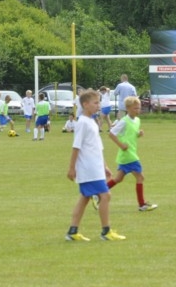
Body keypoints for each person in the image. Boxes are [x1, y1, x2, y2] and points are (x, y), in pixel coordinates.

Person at [65, 89, 125, 242]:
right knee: (105, 195)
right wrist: (72, 168)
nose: (99, 105)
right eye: (96, 103)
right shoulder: (82, 123)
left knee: (85, 198)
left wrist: (104, 165)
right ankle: (106, 231)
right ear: (85, 104)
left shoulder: (92, 121)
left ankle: (72, 231)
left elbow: (97, 147)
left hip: (95, 167)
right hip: (88, 168)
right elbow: (76, 146)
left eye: (99, 102)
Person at [105, 96, 158, 212]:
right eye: (135, 108)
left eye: (139, 108)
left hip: (127, 155)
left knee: (118, 179)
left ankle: (98, 192)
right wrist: (121, 145)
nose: (138, 110)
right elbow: (111, 134)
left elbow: (130, 134)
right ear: (128, 109)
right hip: (129, 155)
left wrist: (138, 134)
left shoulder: (137, 120)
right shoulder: (124, 121)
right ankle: (142, 204)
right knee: (140, 177)